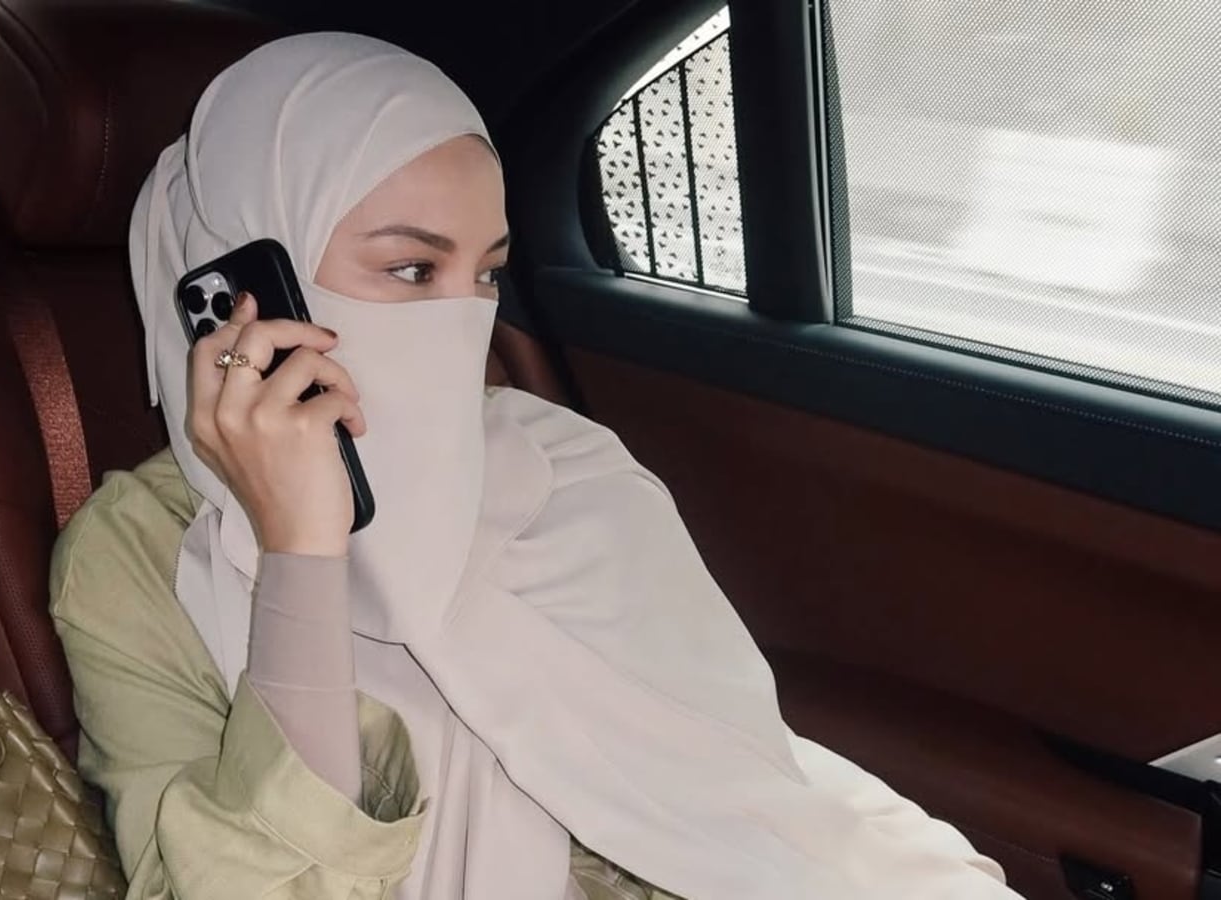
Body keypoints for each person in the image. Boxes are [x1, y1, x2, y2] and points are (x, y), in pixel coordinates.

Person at [50, 31, 1022, 900]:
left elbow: (748, 785)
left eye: (483, 274)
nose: (459, 319)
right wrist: (301, 552)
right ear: (245, 292)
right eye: (410, 270)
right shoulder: (133, 558)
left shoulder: (561, 462)